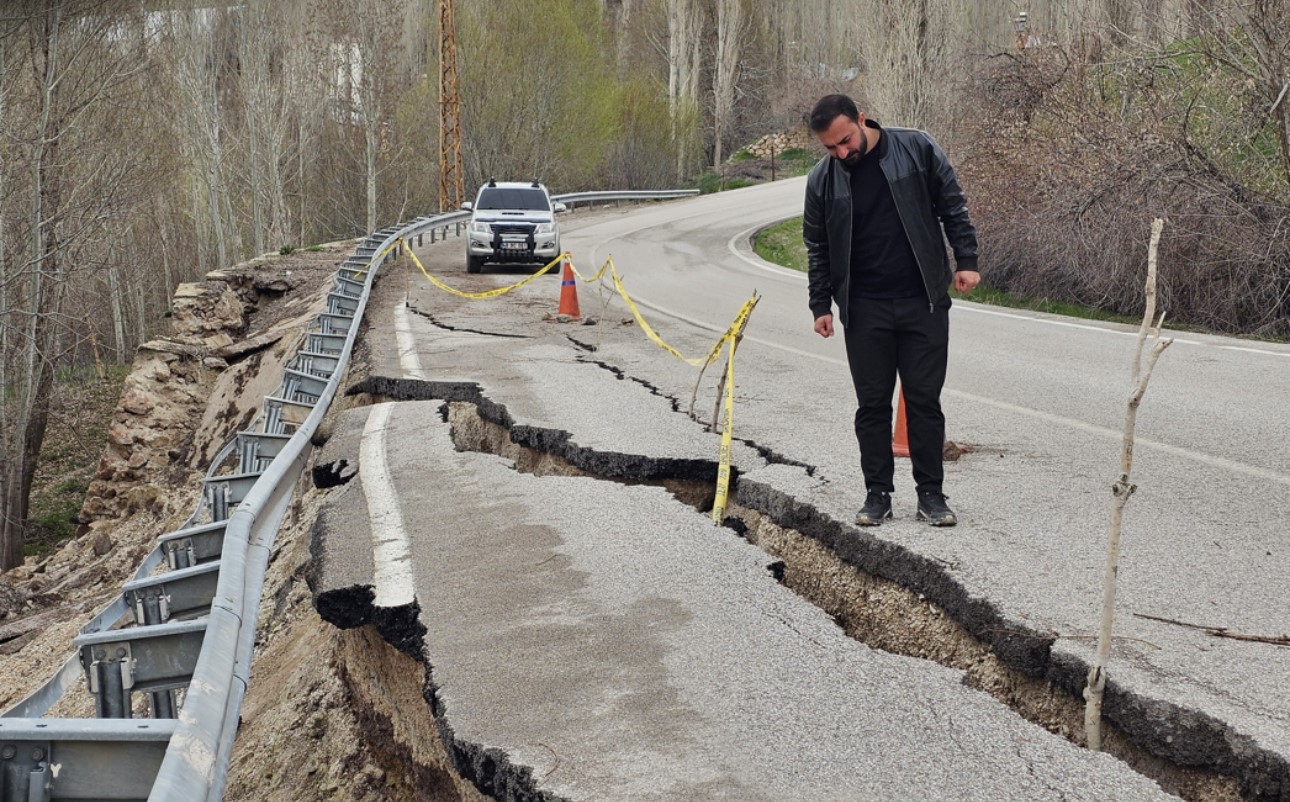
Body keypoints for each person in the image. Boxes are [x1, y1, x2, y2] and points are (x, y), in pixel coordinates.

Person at [803, 93, 980, 527]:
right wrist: (820, 304)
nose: (841, 152)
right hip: (864, 310)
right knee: (872, 406)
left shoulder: (916, 148)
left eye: (845, 140)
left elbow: (952, 205)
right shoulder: (821, 180)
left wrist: (967, 260)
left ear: (861, 119)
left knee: (923, 402)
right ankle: (877, 494)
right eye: (831, 147)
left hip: (923, 301)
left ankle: (931, 496)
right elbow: (817, 247)